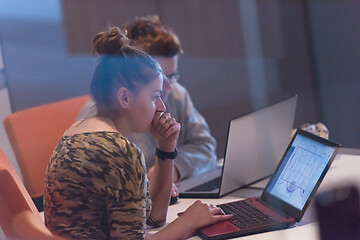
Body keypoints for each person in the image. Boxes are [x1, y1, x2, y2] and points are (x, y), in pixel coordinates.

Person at [44, 27, 231, 239]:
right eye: (154, 97)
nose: (161, 107)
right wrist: (188, 221)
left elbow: (153, 217)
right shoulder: (119, 151)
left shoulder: (75, 131)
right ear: (125, 98)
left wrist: (166, 149)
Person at [77, 15, 217, 184]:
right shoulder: (99, 116)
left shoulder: (177, 94)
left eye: (174, 76)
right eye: (162, 78)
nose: (169, 86)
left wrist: (175, 168)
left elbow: (205, 146)